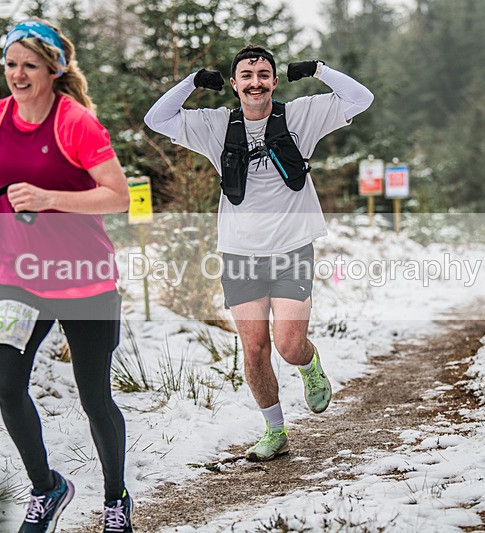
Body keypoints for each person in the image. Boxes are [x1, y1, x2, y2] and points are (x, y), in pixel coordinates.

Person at [144, 46, 373, 461]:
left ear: (274, 81)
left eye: (264, 74)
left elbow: (361, 98)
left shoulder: (300, 116)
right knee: (254, 349)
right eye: (247, 76)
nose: (256, 82)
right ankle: (275, 430)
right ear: (234, 84)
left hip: (292, 249)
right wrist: (192, 82)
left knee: (288, 345)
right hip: (239, 255)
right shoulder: (217, 125)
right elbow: (156, 119)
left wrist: (319, 70)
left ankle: (309, 364)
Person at [0, 19, 133, 533]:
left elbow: (118, 197)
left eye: (29, 65)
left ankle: (115, 500)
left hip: (85, 279)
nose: (18, 74)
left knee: (94, 398)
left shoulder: (76, 122)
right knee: (8, 387)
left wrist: (50, 198)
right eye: (11, 64)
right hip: (20, 278)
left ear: (54, 69)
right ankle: (46, 487)